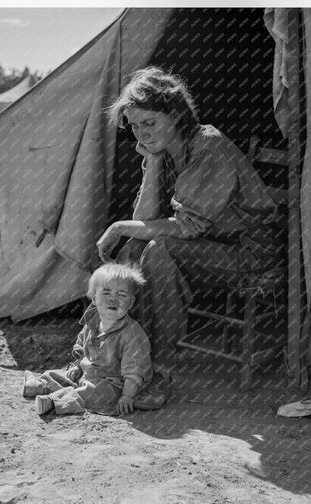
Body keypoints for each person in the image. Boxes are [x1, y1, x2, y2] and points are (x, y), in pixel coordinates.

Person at [96, 67, 284, 359]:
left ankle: (159, 360)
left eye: (150, 123)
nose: (142, 134)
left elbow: (185, 228)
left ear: (175, 115)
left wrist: (118, 227)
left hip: (253, 255)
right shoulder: (165, 150)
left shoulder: (207, 147)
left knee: (159, 249)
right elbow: (144, 217)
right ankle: (119, 348)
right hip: (216, 246)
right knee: (135, 247)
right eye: (134, 126)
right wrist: (154, 163)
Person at [22, 263, 172, 416]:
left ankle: (54, 402)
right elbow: (82, 348)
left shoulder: (132, 334)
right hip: (88, 374)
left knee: (96, 393)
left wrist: (127, 396)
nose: (113, 299)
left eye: (121, 295)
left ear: (131, 302)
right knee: (60, 374)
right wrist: (77, 366)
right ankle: (41, 384)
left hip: (114, 384)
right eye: (106, 292)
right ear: (94, 298)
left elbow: (134, 371)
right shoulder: (92, 323)